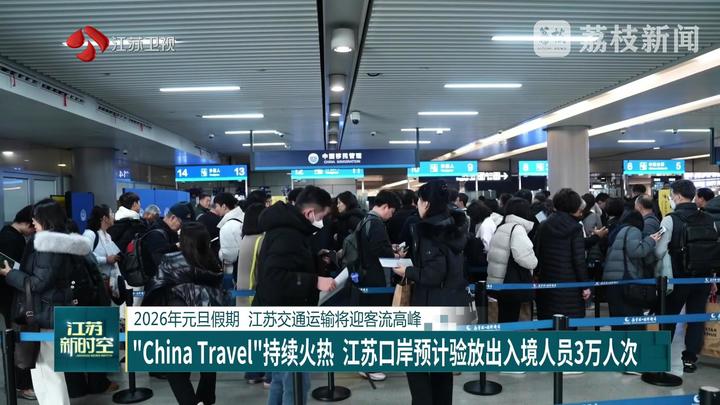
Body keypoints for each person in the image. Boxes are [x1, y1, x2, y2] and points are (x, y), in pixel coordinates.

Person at [0, 199, 92, 405]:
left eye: (35, 219)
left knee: (47, 370)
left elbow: (38, 283)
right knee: (48, 370)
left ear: (45, 219)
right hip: (53, 309)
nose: (33, 223)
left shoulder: (47, 246)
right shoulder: (64, 242)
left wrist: (10, 274)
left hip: (45, 312)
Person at [252, 185, 337, 405]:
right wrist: (315, 281)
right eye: (322, 217)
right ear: (309, 213)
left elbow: (288, 264)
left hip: (276, 313)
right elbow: (274, 278)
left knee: (280, 380)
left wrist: (316, 260)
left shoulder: (289, 229)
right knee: (296, 383)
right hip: (285, 318)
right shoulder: (288, 234)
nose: (322, 222)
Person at [391, 180, 469, 405]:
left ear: (426, 203)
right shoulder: (454, 226)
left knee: (414, 363)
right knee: (441, 365)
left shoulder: (430, 231)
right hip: (453, 302)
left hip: (432, 305)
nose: (417, 205)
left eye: (419, 201)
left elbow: (434, 274)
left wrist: (407, 270)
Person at [143, 222, 223, 405]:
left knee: (176, 368)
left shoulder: (170, 261)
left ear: (183, 240)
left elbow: (156, 288)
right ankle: (206, 399)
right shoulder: (212, 262)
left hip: (177, 319)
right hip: (207, 320)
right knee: (208, 360)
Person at [654, 180, 715, 373]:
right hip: (703, 278)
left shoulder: (670, 220)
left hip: (677, 277)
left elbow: (659, 251)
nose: (671, 199)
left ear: (678, 196)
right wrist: (713, 277)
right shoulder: (708, 219)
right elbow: (711, 250)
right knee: (696, 318)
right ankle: (689, 359)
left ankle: (661, 358)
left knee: (669, 317)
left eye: (671, 196)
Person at [356, 190, 402, 382]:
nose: (391, 215)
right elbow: (379, 251)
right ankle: (370, 365)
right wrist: (395, 255)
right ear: (385, 207)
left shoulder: (364, 221)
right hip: (376, 280)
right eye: (392, 211)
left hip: (366, 277)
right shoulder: (375, 223)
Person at [535, 189, 591, 321]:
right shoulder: (575, 228)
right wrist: (585, 285)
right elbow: (579, 260)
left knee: (548, 323)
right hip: (570, 285)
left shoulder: (544, 225)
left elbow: (536, 252)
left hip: (547, 282)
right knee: (568, 324)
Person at [0, 205, 35, 401]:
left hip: (12, 296)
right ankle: (22, 384)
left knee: (18, 340)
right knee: (19, 341)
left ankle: (21, 383)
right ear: (28, 223)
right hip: (13, 297)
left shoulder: (8, 234)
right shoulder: (11, 239)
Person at [602, 211, 660, 330]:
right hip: (626, 282)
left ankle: (620, 342)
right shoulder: (633, 230)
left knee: (618, 321)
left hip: (612, 282)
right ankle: (633, 342)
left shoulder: (618, 231)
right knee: (633, 321)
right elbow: (636, 251)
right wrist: (651, 240)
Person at [486, 198, 538, 322]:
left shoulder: (502, 227)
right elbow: (524, 258)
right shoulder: (517, 229)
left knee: (504, 317)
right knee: (512, 318)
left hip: (498, 282)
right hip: (511, 284)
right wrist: (535, 262)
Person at [83, 205, 122, 302]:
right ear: (105, 218)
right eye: (111, 213)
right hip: (95, 285)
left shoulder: (108, 236)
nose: (113, 215)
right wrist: (106, 260)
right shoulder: (90, 234)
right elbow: (85, 256)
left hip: (109, 284)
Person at [216, 192, 244, 276]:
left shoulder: (228, 226)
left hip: (232, 271)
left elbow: (229, 257)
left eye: (216, 206)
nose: (216, 209)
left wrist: (220, 253)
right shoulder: (244, 216)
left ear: (224, 206)